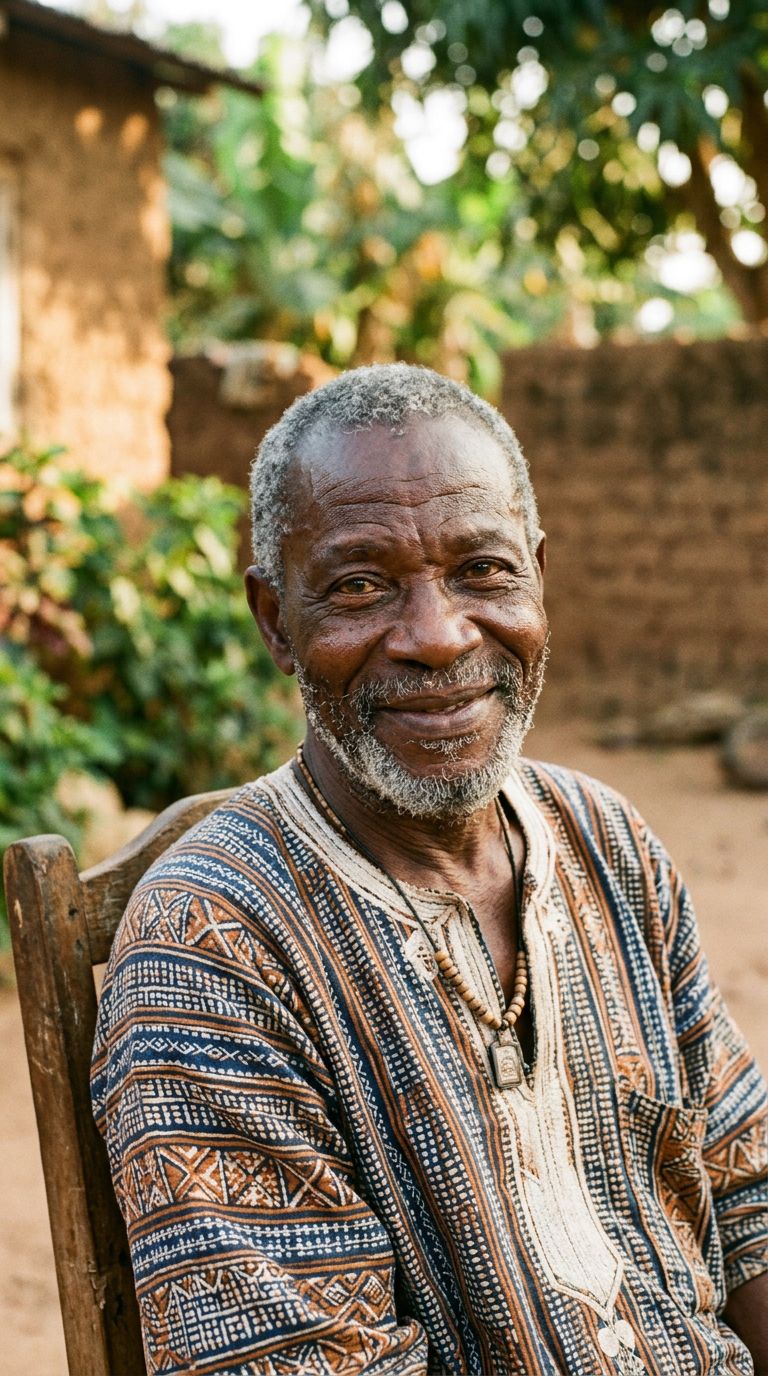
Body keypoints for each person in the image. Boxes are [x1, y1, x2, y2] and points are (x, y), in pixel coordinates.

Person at [92, 364, 768, 1375]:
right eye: (361, 584)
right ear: (276, 620)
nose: (439, 634)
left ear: (539, 575)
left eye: (482, 570)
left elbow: (747, 1189)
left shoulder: (606, 840)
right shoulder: (212, 949)